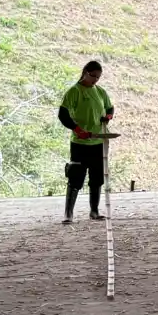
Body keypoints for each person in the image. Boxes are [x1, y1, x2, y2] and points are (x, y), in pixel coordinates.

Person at [57, 59, 117, 224]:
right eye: (93, 76)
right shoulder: (74, 91)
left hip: (98, 141)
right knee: (75, 176)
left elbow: (110, 107)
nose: (95, 80)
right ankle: (68, 214)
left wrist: (108, 117)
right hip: (80, 143)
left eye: (98, 77)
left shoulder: (100, 91)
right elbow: (63, 114)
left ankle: (94, 211)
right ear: (85, 73)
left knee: (97, 178)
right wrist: (78, 130)